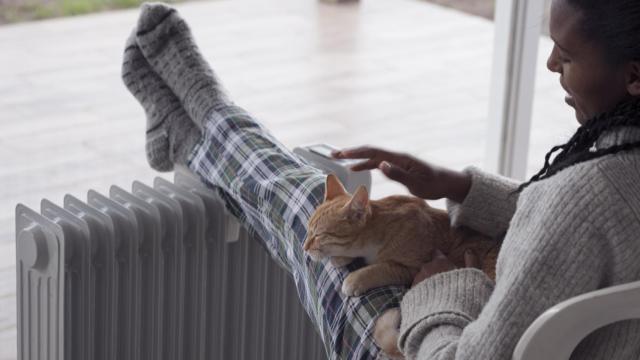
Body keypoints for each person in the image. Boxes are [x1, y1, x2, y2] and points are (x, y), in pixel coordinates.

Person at [121, 0, 640, 358]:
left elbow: (572, 215)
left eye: (566, 56)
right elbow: (570, 222)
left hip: (430, 335)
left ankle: (202, 120)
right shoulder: (614, 172)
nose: (550, 63)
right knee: (318, 212)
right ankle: (198, 130)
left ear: (634, 75)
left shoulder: (586, 197)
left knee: (306, 208)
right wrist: (458, 186)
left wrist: (441, 289)